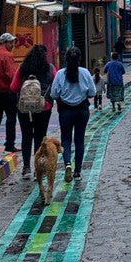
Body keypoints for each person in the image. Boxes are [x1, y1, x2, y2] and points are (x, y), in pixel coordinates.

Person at [50, 46, 95, 183]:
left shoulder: (60, 74)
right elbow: (92, 92)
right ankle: (77, 171)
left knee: (66, 139)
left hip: (65, 111)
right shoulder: (85, 73)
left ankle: (68, 163)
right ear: (79, 59)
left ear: (66, 59)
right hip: (82, 110)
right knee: (79, 140)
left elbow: (53, 94)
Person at [11, 43, 55, 176]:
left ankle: (26, 168)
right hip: (44, 107)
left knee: (26, 136)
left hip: (25, 108)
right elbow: (56, 85)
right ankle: (38, 170)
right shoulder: (50, 68)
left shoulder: (22, 67)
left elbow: (14, 87)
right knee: (40, 137)